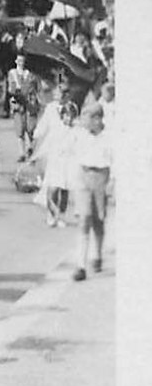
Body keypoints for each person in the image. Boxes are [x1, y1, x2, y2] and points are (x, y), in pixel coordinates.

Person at [71, 100, 112, 281]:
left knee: (98, 220)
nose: (85, 122)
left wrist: (112, 184)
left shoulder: (109, 137)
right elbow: (66, 151)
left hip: (101, 178)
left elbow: (115, 161)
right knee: (84, 219)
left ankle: (97, 255)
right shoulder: (80, 135)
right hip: (83, 177)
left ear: (98, 119)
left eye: (88, 118)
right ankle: (81, 265)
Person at [32, 96, 78, 228]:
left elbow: (79, 147)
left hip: (68, 164)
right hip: (55, 163)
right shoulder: (56, 129)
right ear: (62, 116)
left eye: (71, 117)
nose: (69, 119)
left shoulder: (75, 131)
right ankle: (51, 214)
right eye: (66, 116)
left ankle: (61, 215)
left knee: (64, 190)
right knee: (52, 189)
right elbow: (46, 145)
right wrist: (34, 157)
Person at [6, 54, 39, 159]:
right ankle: (21, 153)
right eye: (19, 60)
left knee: (30, 127)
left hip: (29, 102)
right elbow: (11, 89)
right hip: (17, 101)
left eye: (23, 60)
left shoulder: (30, 74)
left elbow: (35, 88)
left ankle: (31, 148)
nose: (21, 62)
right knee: (19, 128)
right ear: (16, 61)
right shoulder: (12, 73)